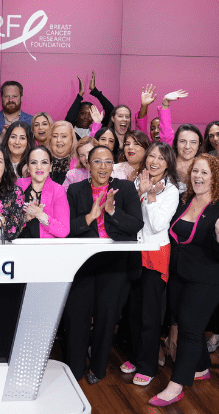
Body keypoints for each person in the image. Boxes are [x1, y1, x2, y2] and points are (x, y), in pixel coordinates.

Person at [147, 155, 219, 407]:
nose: (198, 177)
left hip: (208, 279)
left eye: (205, 173)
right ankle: (201, 366)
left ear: (216, 178)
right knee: (182, 318)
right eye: (195, 171)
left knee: (189, 328)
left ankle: (176, 386)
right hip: (180, 274)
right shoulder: (184, 201)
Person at [63, 145, 144, 383]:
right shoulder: (76, 190)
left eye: (108, 162)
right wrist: (90, 215)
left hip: (114, 263)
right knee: (77, 318)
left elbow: (135, 225)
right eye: (97, 161)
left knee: (106, 318)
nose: (103, 167)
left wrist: (111, 211)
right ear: (88, 164)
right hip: (83, 263)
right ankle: (74, 369)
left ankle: (98, 369)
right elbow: (68, 229)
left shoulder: (126, 188)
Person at [126, 142, 181, 386]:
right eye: (151, 156)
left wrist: (151, 196)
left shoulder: (171, 190)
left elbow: (158, 225)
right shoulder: (139, 180)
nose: (154, 161)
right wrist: (140, 193)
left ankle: (147, 366)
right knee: (134, 311)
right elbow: (128, 215)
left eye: (161, 157)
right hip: (135, 251)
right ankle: (136, 357)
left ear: (169, 162)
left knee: (150, 314)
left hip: (155, 253)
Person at [16, 145, 70, 238]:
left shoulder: (58, 191)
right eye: (34, 162)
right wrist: (25, 218)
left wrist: (40, 215)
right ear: (28, 167)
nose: (39, 167)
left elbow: (63, 231)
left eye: (44, 162)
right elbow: (7, 222)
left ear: (50, 167)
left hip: (45, 248)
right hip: (17, 244)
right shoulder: (18, 185)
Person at [64, 72, 115, 139]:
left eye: (90, 115)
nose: (86, 117)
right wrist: (80, 95)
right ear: (76, 114)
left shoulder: (98, 132)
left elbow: (111, 111)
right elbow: (70, 118)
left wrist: (95, 91)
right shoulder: (68, 131)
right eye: (83, 113)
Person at [172, 125, 202, 195]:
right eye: (182, 141)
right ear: (176, 143)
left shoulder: (206, 168)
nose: (187, 147)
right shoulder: (166, 165)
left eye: (193, 142)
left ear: (199, 145)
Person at [47, 121, 78, 185]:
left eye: (63, 136)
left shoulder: (80, 163)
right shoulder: (41, 159)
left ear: (72, 139)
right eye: (55, 136)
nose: (58, 140)